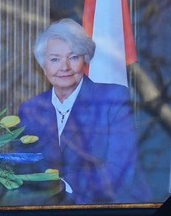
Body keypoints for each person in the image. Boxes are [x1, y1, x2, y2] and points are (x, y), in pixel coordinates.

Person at [18, 19, 147, 204]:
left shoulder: (111, 99)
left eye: (73, 57)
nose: (64, 67)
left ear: (85, 60)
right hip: (46, 213)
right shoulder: (32, 110)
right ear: (43, 65)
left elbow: (120, 169)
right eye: (54, 59)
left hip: (105, 210)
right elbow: (24, 170)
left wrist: (63, 190)